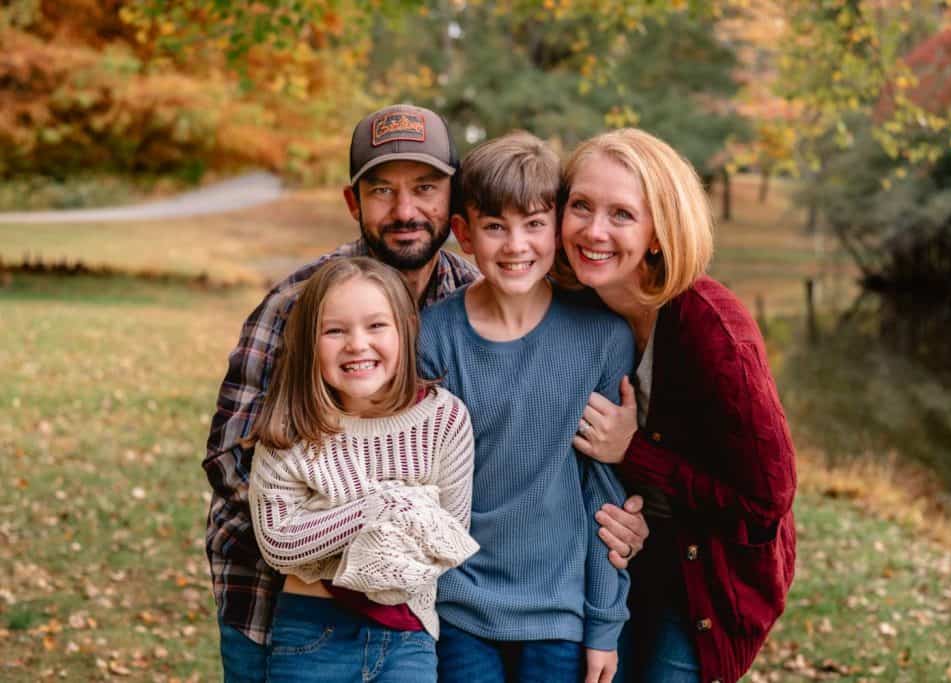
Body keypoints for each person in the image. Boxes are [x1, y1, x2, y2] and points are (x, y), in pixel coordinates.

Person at [202, 104, 648, 681]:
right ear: (352, 203)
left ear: (451, 206)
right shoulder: (300, 305)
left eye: (426, 188)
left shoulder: (470, 290)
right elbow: (231, 462)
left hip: (423, 617)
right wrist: (367, 532)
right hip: (281, 605)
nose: (406, 209)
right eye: (383, 190)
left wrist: (629, 481)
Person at [558, 128, 797, 683]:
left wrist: (632, 452)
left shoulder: (712, 329)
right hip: (609, 555)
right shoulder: (569, 306)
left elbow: (767, 500)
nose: (594, 230)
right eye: (581, 206)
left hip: (707, 577)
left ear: (659, 233)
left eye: (622, 214)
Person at [418, 132, 632, 683]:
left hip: (559, 613)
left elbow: (601, 493)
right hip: (459, 605)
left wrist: (604, 624)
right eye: (495, 227)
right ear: (463, 234)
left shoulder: (602, 338)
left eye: (534, 223)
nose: (516, 244)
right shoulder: (435, 336)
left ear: (558, 227)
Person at [246, 257, 478, 682]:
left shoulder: (444, 420)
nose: (357, 344)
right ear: (309, 341)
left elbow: (446, 539)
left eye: (376, 326)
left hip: (407, 634)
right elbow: (279, 543)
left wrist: (323, 523)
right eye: (334, 330)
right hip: (312, 629)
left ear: (406, 328)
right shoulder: (293, 425)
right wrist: (384, 507)